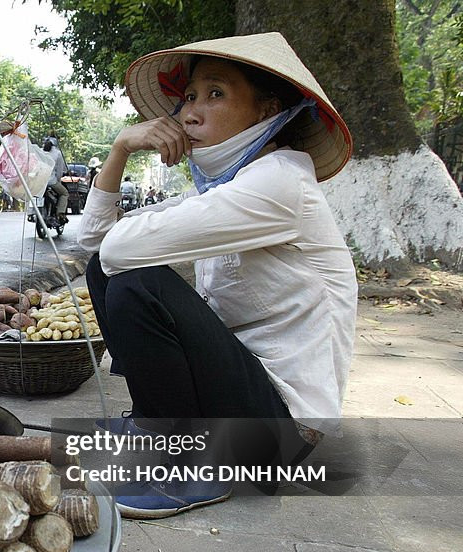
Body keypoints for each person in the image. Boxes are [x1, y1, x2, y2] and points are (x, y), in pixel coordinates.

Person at [77, 32, 356, 519]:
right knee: (109, 271)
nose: (190, 113)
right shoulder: (224, 188)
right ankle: (157, 429)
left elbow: (119, 249)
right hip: (238, 401)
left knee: (137, 281)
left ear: (268, 110)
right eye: (189, 97)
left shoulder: (280, 181)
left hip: (278, 436)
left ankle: (186, 465)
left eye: (216, 94)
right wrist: (121, 147)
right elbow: (95, 245)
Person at [42, 134, 69, 223]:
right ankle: (60, 213)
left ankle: (31, 213)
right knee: (64, 193)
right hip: (51, 181)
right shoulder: (57, 153)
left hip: (39, 182)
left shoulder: (40, 151)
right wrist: (58, 180)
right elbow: (60, 171)